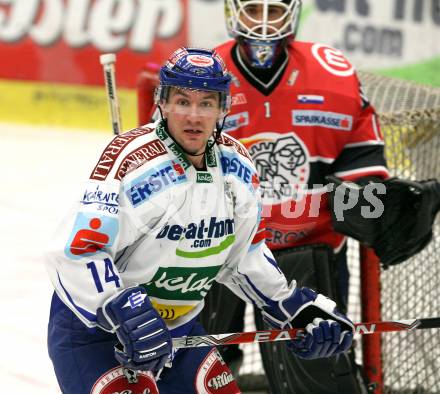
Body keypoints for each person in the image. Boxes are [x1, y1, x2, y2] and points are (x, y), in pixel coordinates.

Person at [45, 47, 355, 394]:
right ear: (162, 103)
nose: (193, 116)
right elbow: (78, 251)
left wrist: (292, 307)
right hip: (99, 334)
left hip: (182, 333)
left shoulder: (238, 165)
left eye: (206, 103)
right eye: (182, 101)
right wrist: (118, 307)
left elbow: (244, 256)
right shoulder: (132, 161)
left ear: (223, 108)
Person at [197, 1, 390, 392]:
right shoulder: (201, 76)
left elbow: (362, 159)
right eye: (254, 8)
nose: (265, 22)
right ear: (234, 12)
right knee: (198, 366)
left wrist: (371, 206)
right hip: (215, 248)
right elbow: (168, 167)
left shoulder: (332, 72)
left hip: (307, 251)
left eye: (275, 9)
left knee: (317, 372)